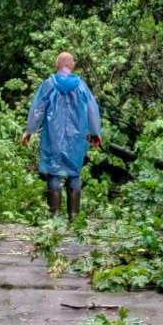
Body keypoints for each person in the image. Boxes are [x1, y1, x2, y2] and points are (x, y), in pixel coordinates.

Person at [22, 52, 101, 221]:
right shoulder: (81, 86)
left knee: (53, 172)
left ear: (57, 65)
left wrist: (29, 130)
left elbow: (38, 110)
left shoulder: (48, 85)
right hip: (76, 138)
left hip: (53, 135)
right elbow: (92, 110)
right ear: (72, 66)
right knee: (74, 173)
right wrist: (95, 133)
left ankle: (55, 217)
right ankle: (73, 216)